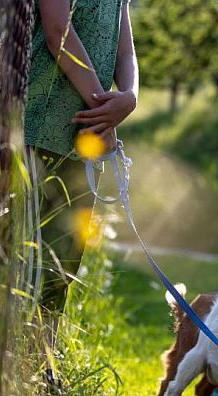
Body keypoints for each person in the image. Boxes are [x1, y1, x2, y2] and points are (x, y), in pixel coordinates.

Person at [24, 1, 138, 347]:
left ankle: (41, 357)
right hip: (38, 128)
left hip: (84, 142)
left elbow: (126, 52)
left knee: (64, 260)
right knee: (26, 253)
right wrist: (103, 108)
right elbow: (57, 31)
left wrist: (130, 97)